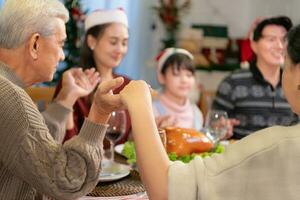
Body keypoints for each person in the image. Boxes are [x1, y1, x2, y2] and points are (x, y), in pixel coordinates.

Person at [114, 23, 300, 200]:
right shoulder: (234, 84)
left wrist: (139, 102)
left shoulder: (272, 146)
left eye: (287, 63)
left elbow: (168, 191)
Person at [0, 0, 124, 199]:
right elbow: (67, 181)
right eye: (60, 44)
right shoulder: (9, 96)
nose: (61, 57)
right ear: (35, 44)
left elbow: (34, 153)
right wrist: (100, 113)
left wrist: (68, 97)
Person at [212, 16, 299, 139]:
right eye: (271, 39)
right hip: (244, 155)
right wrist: (221, 129)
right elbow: (213, 127)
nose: (280, 46)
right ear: (254, 45)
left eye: (284, 40)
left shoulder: (295, 82)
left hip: (284, 155)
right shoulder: (233, 83)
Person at [53, 8, 131, 143]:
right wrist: (70, 97)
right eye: (113, 42)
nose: (120, 49)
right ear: (91, 42)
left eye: (124, 43)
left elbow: (129, 139)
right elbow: (63, 143)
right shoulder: (73, 83)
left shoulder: (127, 84)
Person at [152, 47, 203, 130]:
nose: (184, 80)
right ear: (161, 77)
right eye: (176, 74)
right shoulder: (152, 110)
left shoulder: (196, 113)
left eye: (189, 75)